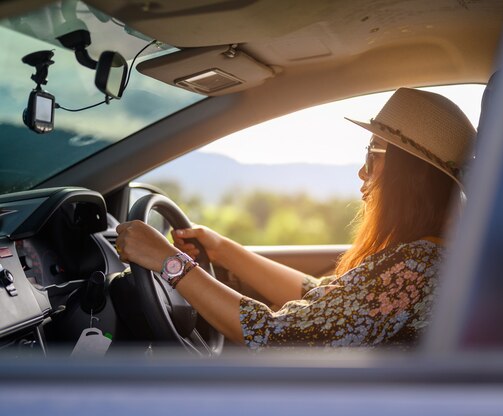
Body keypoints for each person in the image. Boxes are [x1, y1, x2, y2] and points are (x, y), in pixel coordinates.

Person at [115, 88, 476, 349]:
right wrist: (223, 249)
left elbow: (272, 334)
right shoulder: (428, 261)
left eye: (372, 157)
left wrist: (169, 262)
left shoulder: (412, 270)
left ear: (409, 177)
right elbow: (320, 298)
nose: (362, 175)